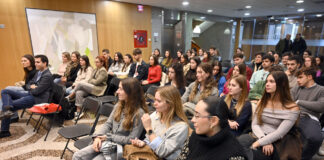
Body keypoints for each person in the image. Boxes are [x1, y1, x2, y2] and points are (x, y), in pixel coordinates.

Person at [72, 78, 148, 160]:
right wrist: (97, 137)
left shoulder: (139, 113)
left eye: (121, 89)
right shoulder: (119, 105)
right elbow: (108, 124)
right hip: (108, 142)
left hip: (122, 149)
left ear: (130, 92)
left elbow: (131, 139)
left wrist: (108, 137)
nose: (117, 91)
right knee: (77, 156)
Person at [238, 71, 301, 160]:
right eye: (267, 81)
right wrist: (263, 140)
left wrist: (258, 143)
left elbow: (280, 133)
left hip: (277, 141)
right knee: (236, 146)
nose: (267, 84)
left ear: (282, 84)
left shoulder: (292, 108)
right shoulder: (262, 101)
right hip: (258, 134)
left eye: (271, 81)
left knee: (255, 155)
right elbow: (255, 124)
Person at [176, 96, 247, 160]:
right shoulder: (194, 137)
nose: (192, 120)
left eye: (197, 116)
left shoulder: (234, 154)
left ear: (213, 121)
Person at [131, 86, 190, 160]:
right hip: (151, 155)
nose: (154, 104)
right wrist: (144, 143)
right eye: (155, 100)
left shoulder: (181, 127)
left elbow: (162, 152)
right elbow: (150, 138)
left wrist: (149, 128)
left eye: (159, 101)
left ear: (170, 103)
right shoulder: (155, 115)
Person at [0, 55, 52, 138]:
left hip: (37, 99)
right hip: (30, 94)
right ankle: (7, 107)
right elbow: (28, 84)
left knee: (7, 107)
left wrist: (32, 87)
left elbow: (37, 91)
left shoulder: (47, 76)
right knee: (5, 91)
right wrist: (32, 86)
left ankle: (4, 131)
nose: (35, 64)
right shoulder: (39, 72)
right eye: (35, 62)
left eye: (38, 62)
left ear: (45, 63)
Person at [291, 67, 324, 160]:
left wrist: (299, 102)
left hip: (309, 117)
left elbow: (320, 106)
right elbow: (288, 102)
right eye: (297, 77)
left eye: (300, 77)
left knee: (315, 138)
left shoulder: (321, 90)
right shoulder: (296, 88)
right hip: (292, 115)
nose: (297, 80)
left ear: (309, 77)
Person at [0, 54, 37, 122]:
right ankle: (12, 115)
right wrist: (22, 83)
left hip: (29, 92)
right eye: (22, 61)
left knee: (7, 90)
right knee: (7, 93)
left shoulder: (35, 71)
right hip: (26, 88)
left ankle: (8, 112)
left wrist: (22, 85)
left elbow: (31, 86)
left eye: (25, 61)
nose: (23, 62)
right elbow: (28, 83)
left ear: (31, 61)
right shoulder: (28, 70)